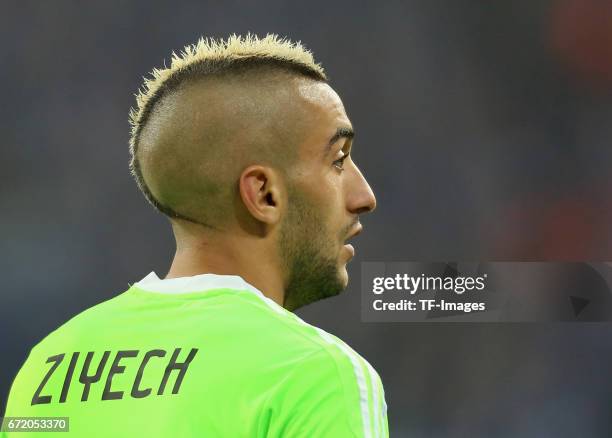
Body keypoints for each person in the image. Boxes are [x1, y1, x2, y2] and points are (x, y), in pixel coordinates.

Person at [3, 34, 387, 437]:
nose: (365, 197)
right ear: (263, 194)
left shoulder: (47, 367)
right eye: (338, 160)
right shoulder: (317, 374)